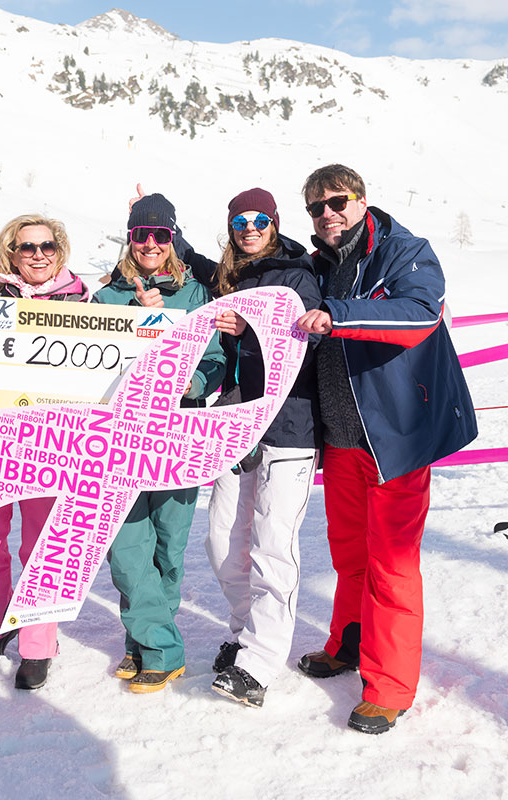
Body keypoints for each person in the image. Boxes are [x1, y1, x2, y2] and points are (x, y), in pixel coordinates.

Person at [294, 164, 477, 734]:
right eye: (317, 208)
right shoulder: (320, 264)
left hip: (395, 437)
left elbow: (419, 313)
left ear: (362, 199)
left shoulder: (403, 250)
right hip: (342, 439)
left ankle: (389, 687)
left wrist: (338, 315)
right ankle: (347, 644)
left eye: (338, 201)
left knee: (391, 567)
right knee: (349, 555)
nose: (328, 214)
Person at [172, 188, 322, 709]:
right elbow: (196, 263)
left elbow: (307, 340)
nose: (250, 229)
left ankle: (259, 663)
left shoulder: (297, 273)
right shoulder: (231, 275)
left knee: (272, 545)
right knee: (221, 541)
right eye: (241, 221)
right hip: (235, 423)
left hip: (288, 427)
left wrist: (250, 330)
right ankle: (244, 634)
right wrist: (162, 221)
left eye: (260, 220)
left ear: (274, 223)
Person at [92, 194, 226, 694]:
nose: (150, 244)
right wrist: (135, 316)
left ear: (173, 239)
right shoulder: (106, 298)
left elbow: (216, 359)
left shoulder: (196, 295)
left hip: (177, 437)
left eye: (160, 235)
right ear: (129, 238)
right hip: (118, 442)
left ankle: (143, 639)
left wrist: (193, 382)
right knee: (127, 550)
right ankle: (162, 649)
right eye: (140, 234)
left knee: (168, 549)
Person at [0, 214, 89, 691]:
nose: (38, 255)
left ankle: (38, 645)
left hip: (52, 445)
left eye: (46, 246)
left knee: (42, 548)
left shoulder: (83, 301)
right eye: (27, 247)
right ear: (11, 252)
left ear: (59, 251)